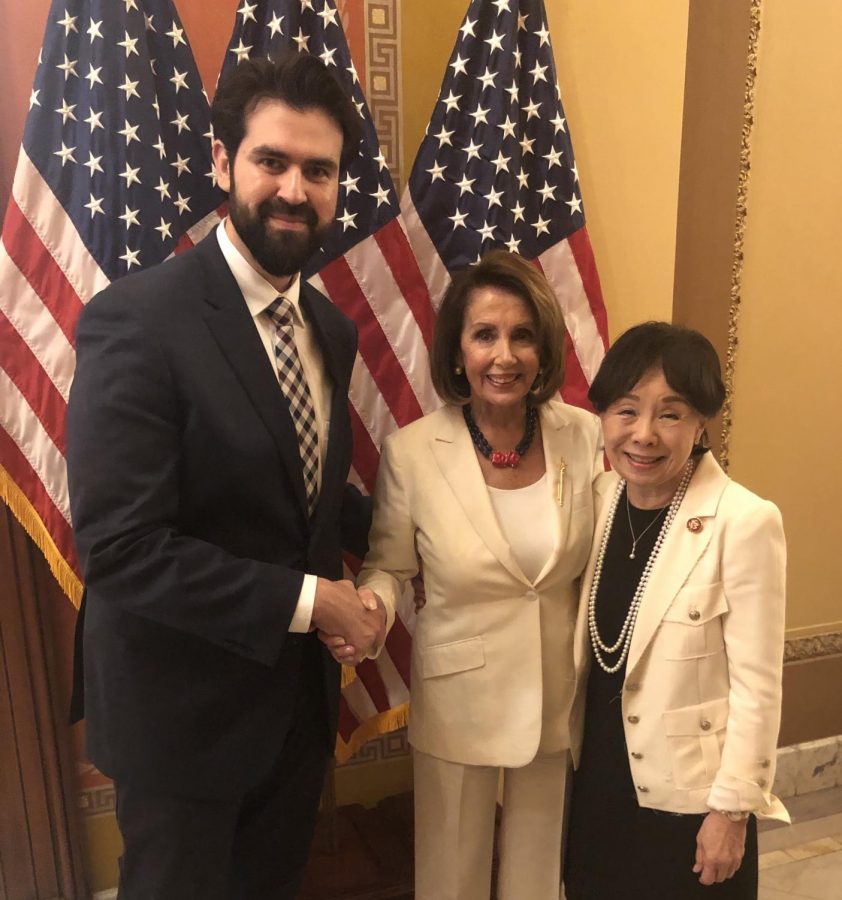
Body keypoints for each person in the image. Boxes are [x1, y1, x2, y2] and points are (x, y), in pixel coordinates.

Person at [66, 54, 385, 900]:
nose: (294, 190)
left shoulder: (330, 329)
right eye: (270, 161)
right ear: (222, 163)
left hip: (295, 715)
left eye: (318, 170)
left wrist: (420, 529)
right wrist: (319, 601)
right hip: (180, 723)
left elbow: (306, 498)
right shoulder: (135, 322)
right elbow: (121, 548)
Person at [325, 250, 603, 900]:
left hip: (556, 693)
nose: (504, 355)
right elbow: (391, 565)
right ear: (458, 352)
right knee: (452, 878)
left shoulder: (584, 438)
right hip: (459, 697)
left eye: (522, 335)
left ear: (543, 350)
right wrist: (368, 606)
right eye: (485, 335)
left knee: (537, 879)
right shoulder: (414, 452)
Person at [563, 322, 789, 900]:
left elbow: (757, 684)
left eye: (670, 413)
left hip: (691, 804)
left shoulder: (744, 521)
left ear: (702, 421)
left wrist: (733, 812)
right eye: (626, 410)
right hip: (599, 784)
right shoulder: (598, 497)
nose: (643, 434)